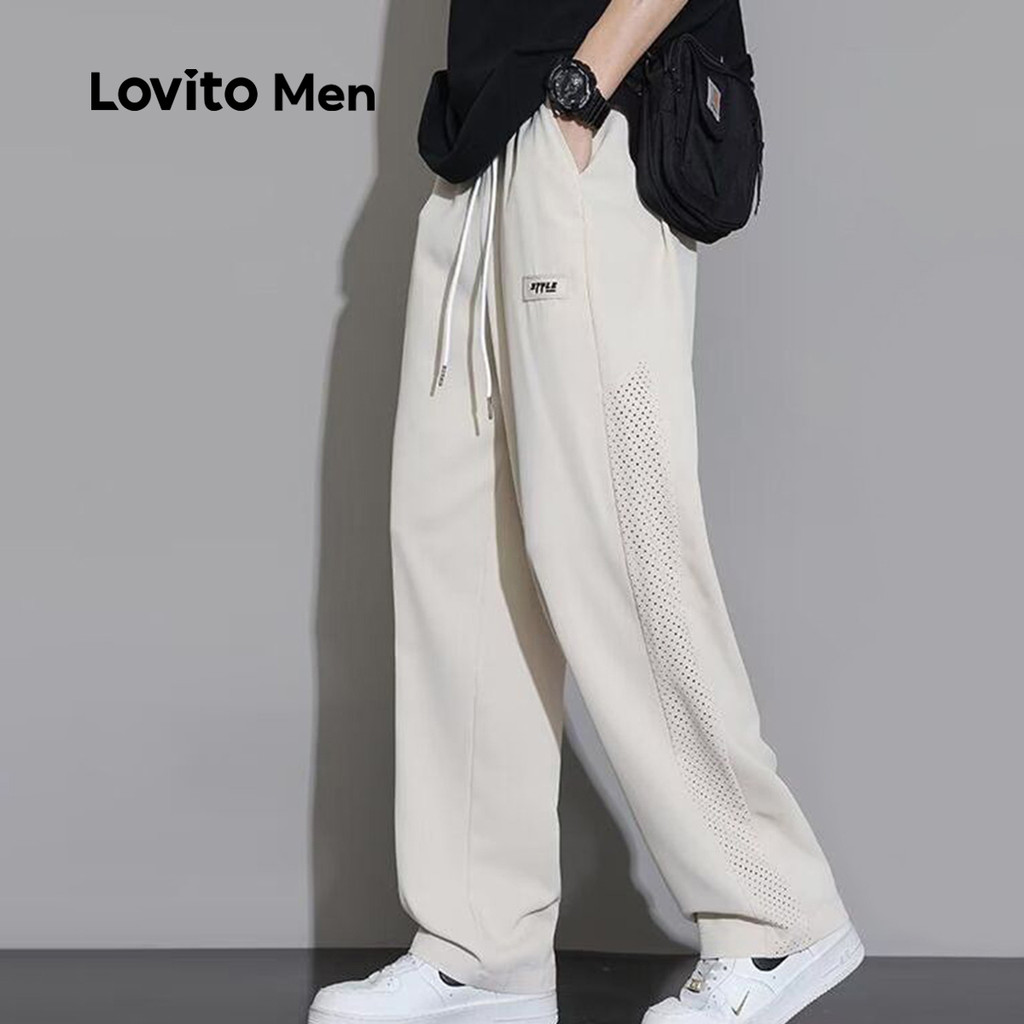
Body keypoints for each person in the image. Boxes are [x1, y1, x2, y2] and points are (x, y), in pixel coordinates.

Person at [309, 1, 863, 1022]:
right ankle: (482, 946)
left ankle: (774, 912)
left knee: (612, 538)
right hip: (478, 150)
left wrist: (581, 91)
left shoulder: (580, 109)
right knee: (457, 557)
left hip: (584, 124)